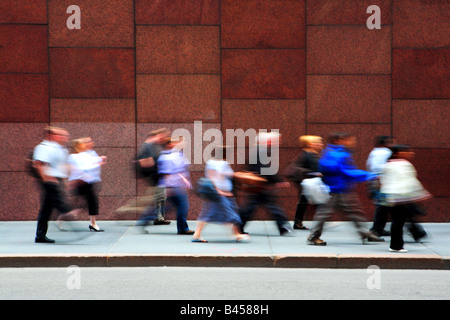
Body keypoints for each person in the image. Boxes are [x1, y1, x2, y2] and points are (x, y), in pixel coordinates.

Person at [307, 132, 383, 246]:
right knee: (326, 213)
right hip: (337, 189)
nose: (353, 142)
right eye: (350, 140)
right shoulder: (337, 154)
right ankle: (313, 236)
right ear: (339, 140)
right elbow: (346, 171)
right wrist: (369, 175)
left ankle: (364, 233)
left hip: (339, 188)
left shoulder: (332, 152)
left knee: (353, 212)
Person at [238, 132, 293, 236]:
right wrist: (276, 180)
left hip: (259, 185)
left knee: (252, 207)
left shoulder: (258, 150)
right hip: (260, 185)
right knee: (268, 207)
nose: (278, 143)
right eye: (276, 141)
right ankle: (283, 228)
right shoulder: (261, 151)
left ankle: (283, 227)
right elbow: (264, 169)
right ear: (269, 141)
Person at [192, 146, 250, 243]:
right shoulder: (222, 163)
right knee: (230, 214)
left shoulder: (212, 163)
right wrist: (219, 191)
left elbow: (222, 175)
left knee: (208, 214)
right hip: (219, 194)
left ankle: (197, 234)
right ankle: (237, 234)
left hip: (219, 194)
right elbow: (212, 177)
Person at [379, 145, 431, 253]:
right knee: (399, 221)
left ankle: (396, 244)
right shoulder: (404, 164)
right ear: (398, 153)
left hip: (390, 196)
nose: (411, 153)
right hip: (401, 197)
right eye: (407, 151)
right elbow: (410, 181)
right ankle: (396, 245)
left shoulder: (387, 164)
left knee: (397, 221)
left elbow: (383, 180)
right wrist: (421, 193)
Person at [32, 126, 80, 243]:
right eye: (61, 135)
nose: (65, 137)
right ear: (52, 136)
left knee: (46, 209)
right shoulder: (43, 147)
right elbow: (39, 164)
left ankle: (40, 235)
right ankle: (67, 211)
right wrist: (47, 179)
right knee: (55, 201)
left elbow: (63, 165)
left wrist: (68, 179)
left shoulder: (61, 149)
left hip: (57, 179)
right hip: (49, 179)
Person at [67, 137, 107, 232]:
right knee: (88, 203)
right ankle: (92, 223)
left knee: (88, 203)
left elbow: (94, 166)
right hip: (81, 182)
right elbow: (84, 168)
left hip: (90, 182)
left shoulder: (91, 154)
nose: (90, 143)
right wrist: (98, 162)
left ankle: (66, 215)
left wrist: (100, 161)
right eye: (87, 142)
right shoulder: (75, 156)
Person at [286, 135, 324, 230]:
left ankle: (298, 222)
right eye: (318, 142)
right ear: (311, 144)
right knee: (319, 202)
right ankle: (320, 222)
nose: (321, 144)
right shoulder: (310, 155)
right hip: (308, 181)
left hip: (304, 180)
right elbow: (316, 169)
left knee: (304, 201)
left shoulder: (306, 153)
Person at [157, 137, 194, 235]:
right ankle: (182, 228)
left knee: (175, 206)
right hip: (174, 186)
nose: (179, 144)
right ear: (169, 144)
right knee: (183, 206)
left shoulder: (174, 154)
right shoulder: (167, 156)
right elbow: (167, 173)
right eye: (176, 142)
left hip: (176, 186)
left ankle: (146, 217)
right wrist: (169, 188)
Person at [135, 128, 171, 228]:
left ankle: (158, 218)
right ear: (158, 135)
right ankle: (131, 211)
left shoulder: (155, 146)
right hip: (153, 176)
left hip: (157, 176)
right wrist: (154, 164)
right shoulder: (147, 146)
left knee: (160, 197)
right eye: (162, 136)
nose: (163, 138)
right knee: (151, 198)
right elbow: (143, 162)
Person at [366, 136, 394, 237]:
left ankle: (377, 229)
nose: (392, 145)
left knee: (383, 207)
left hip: (374, 180)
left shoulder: (374, 152)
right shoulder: (386, 152)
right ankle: (376, 230)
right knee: (384, 207)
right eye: (390, 142)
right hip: (382, 181)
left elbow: (370, 166)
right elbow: (383, 167)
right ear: (384, 143)